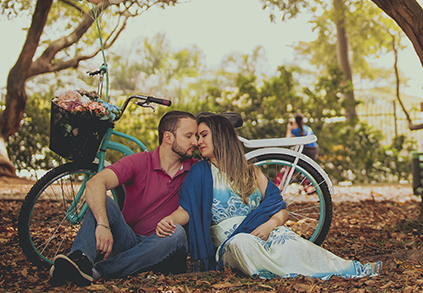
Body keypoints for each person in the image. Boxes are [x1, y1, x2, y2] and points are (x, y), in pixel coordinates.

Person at [156, 113, 380, 279]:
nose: (198, 142)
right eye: (196, 136)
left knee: (290, 241)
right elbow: (187, 210)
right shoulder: (200, 172)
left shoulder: (250, 172)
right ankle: (285, 275)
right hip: (230, 245)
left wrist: (270, 225)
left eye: (204, 135)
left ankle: (347, 269)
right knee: (243, 243)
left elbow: (279, 209)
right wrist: (169, 221)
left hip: (263, 232)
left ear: (221, 137)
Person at [50, 110, 198, 287]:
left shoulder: (197, 170)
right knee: (103, 201)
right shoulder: (140, 162)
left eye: (196, 136)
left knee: (177, 233)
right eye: (189, 136)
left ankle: (97, 271)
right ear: (168, 137)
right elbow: (95, 183)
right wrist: (103, 225)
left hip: (165, 249)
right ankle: (80, 260)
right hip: (130, 241)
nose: (195, 142)